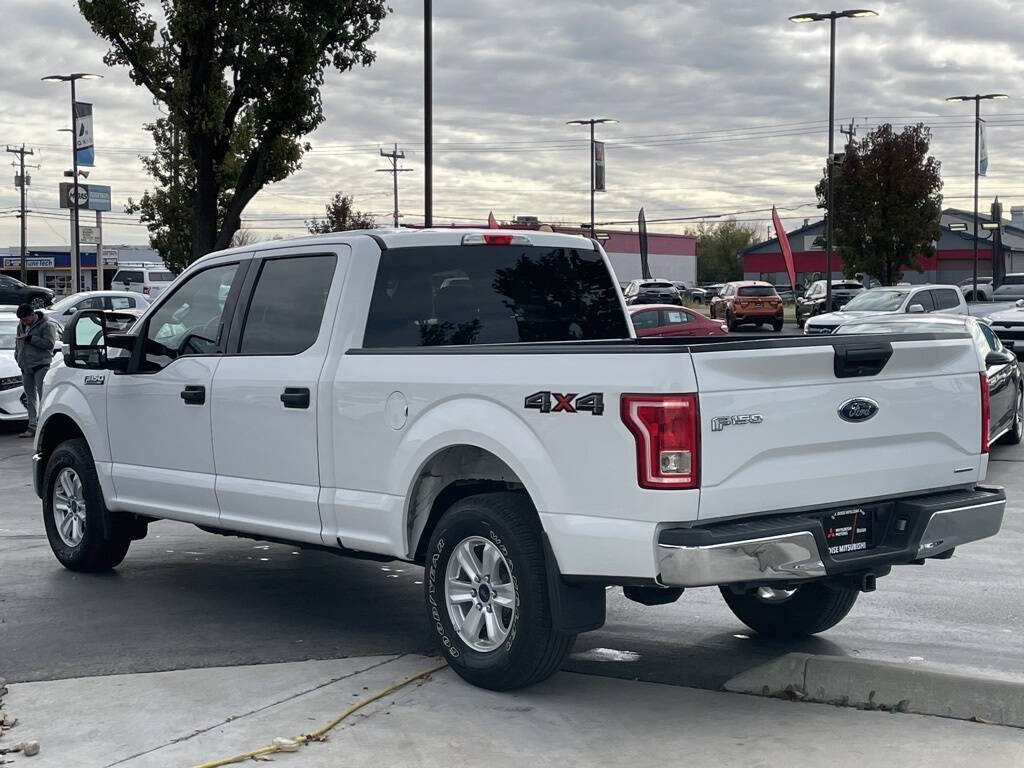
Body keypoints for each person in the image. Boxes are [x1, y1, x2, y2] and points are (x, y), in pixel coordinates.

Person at [14, 303, 58, 439]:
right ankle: (32, 426)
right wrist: (17, 356)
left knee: (43, 395)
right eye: (22, 320)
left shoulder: (47, 325)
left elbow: (49, 344)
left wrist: (30, 339)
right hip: (25, 366)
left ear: (32, 314)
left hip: (40, 365)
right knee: (29, 397)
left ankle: (45, 426)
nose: (24, 322)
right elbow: (18, 343)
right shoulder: (20, 325)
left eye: (26, 319)